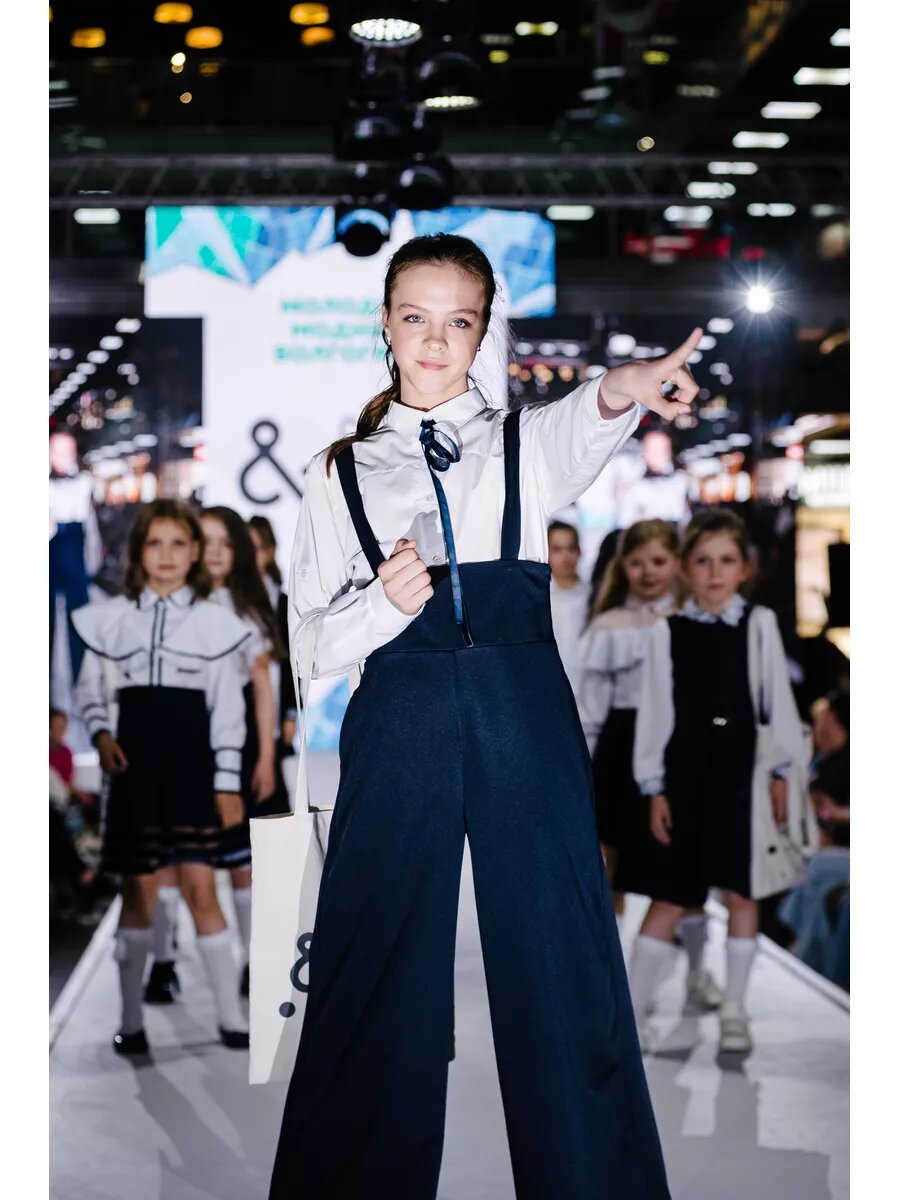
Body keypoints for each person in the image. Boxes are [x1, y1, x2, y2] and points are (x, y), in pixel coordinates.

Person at [269, 232, 701, 1198]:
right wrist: (382, 608)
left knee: (562, 959)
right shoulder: (338, 472)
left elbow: (593, 411)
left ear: (482, 332)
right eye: (415, 318)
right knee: (373, 965)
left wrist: (632, 381)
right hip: (400, 717)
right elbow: (307, 646)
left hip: (522, 713)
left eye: (457, 321)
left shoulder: (520, 442)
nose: (435, 341)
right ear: (385, 326)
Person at [71, 499, 252, 1055]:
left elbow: (228, 710)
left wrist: (227, 782)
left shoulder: (215, 623)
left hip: (193, 768)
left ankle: (230, 1017)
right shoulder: (111, 619)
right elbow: (89, 691)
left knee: (202, 888)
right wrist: (102, 735)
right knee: (139, 895)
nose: (167, 555)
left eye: (178, 544)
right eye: (155, 543)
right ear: (138, 552)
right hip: (135, 770)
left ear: (194, 552)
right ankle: (132, 1022)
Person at [627, 511, 807, 1055]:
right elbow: (655, 711)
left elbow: (775, 701)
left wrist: (782, 773)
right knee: (671, 894)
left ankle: (735, 1009)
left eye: (726, 561)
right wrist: (654, 786)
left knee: (742, 891)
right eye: (703, 560)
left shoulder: (759, 624)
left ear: (744, 568)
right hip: (684, 773)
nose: (714, 572)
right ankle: (630, 1014)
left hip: (743, 772)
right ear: (685, 568)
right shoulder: (666, 632)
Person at [577, 520, 720, 1008]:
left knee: (685, 862)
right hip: (620, 747)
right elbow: (592, 706)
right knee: (611, 863)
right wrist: (585, 765)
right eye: (637, 563)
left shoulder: (694, 618)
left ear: (677, 563)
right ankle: (610, 972)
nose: (648, 572)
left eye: (658, 561)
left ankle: (698, 971)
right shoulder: (609, 625)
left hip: (681, 748)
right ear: (623, 567)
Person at [202, 506, 288, 994]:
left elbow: (263, 690)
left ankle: (253, 960)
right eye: (205, 541)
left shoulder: (249, 610)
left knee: (241, 861)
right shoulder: (181, 602)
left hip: (244, 743)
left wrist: (266, 758)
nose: (214, 552)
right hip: (191, 742)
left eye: (224, 542)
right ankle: (164, 962)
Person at [248, 514, 298, 754]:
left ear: (269, 552)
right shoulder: (224, 599)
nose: (250, 557)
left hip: (274, 705)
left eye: (257, 548)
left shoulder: (283, 603)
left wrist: (291, 713)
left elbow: (292, 663)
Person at [547, 520, 591, 693]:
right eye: (557, 549)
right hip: (550, 687)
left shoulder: (592, 596)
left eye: (571, 548)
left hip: (586, 689)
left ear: (579, 551)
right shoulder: (539, 598)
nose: (566, 556)